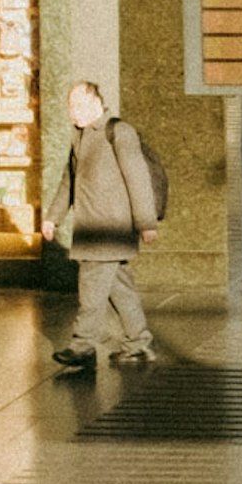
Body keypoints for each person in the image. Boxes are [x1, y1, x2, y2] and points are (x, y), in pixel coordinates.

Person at [47, 78, 167, 372]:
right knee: (119, 287)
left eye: (78, 105)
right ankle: (139, 343)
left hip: (110, 227)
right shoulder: (80, 136)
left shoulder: (119, 132)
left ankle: (82, 346)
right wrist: (53, 217)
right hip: (91, 226)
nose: (72, 112)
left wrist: (146, 222)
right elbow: (69, 181)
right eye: (70, 106)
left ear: (96, 102)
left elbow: (137, 178)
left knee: (90, 289)